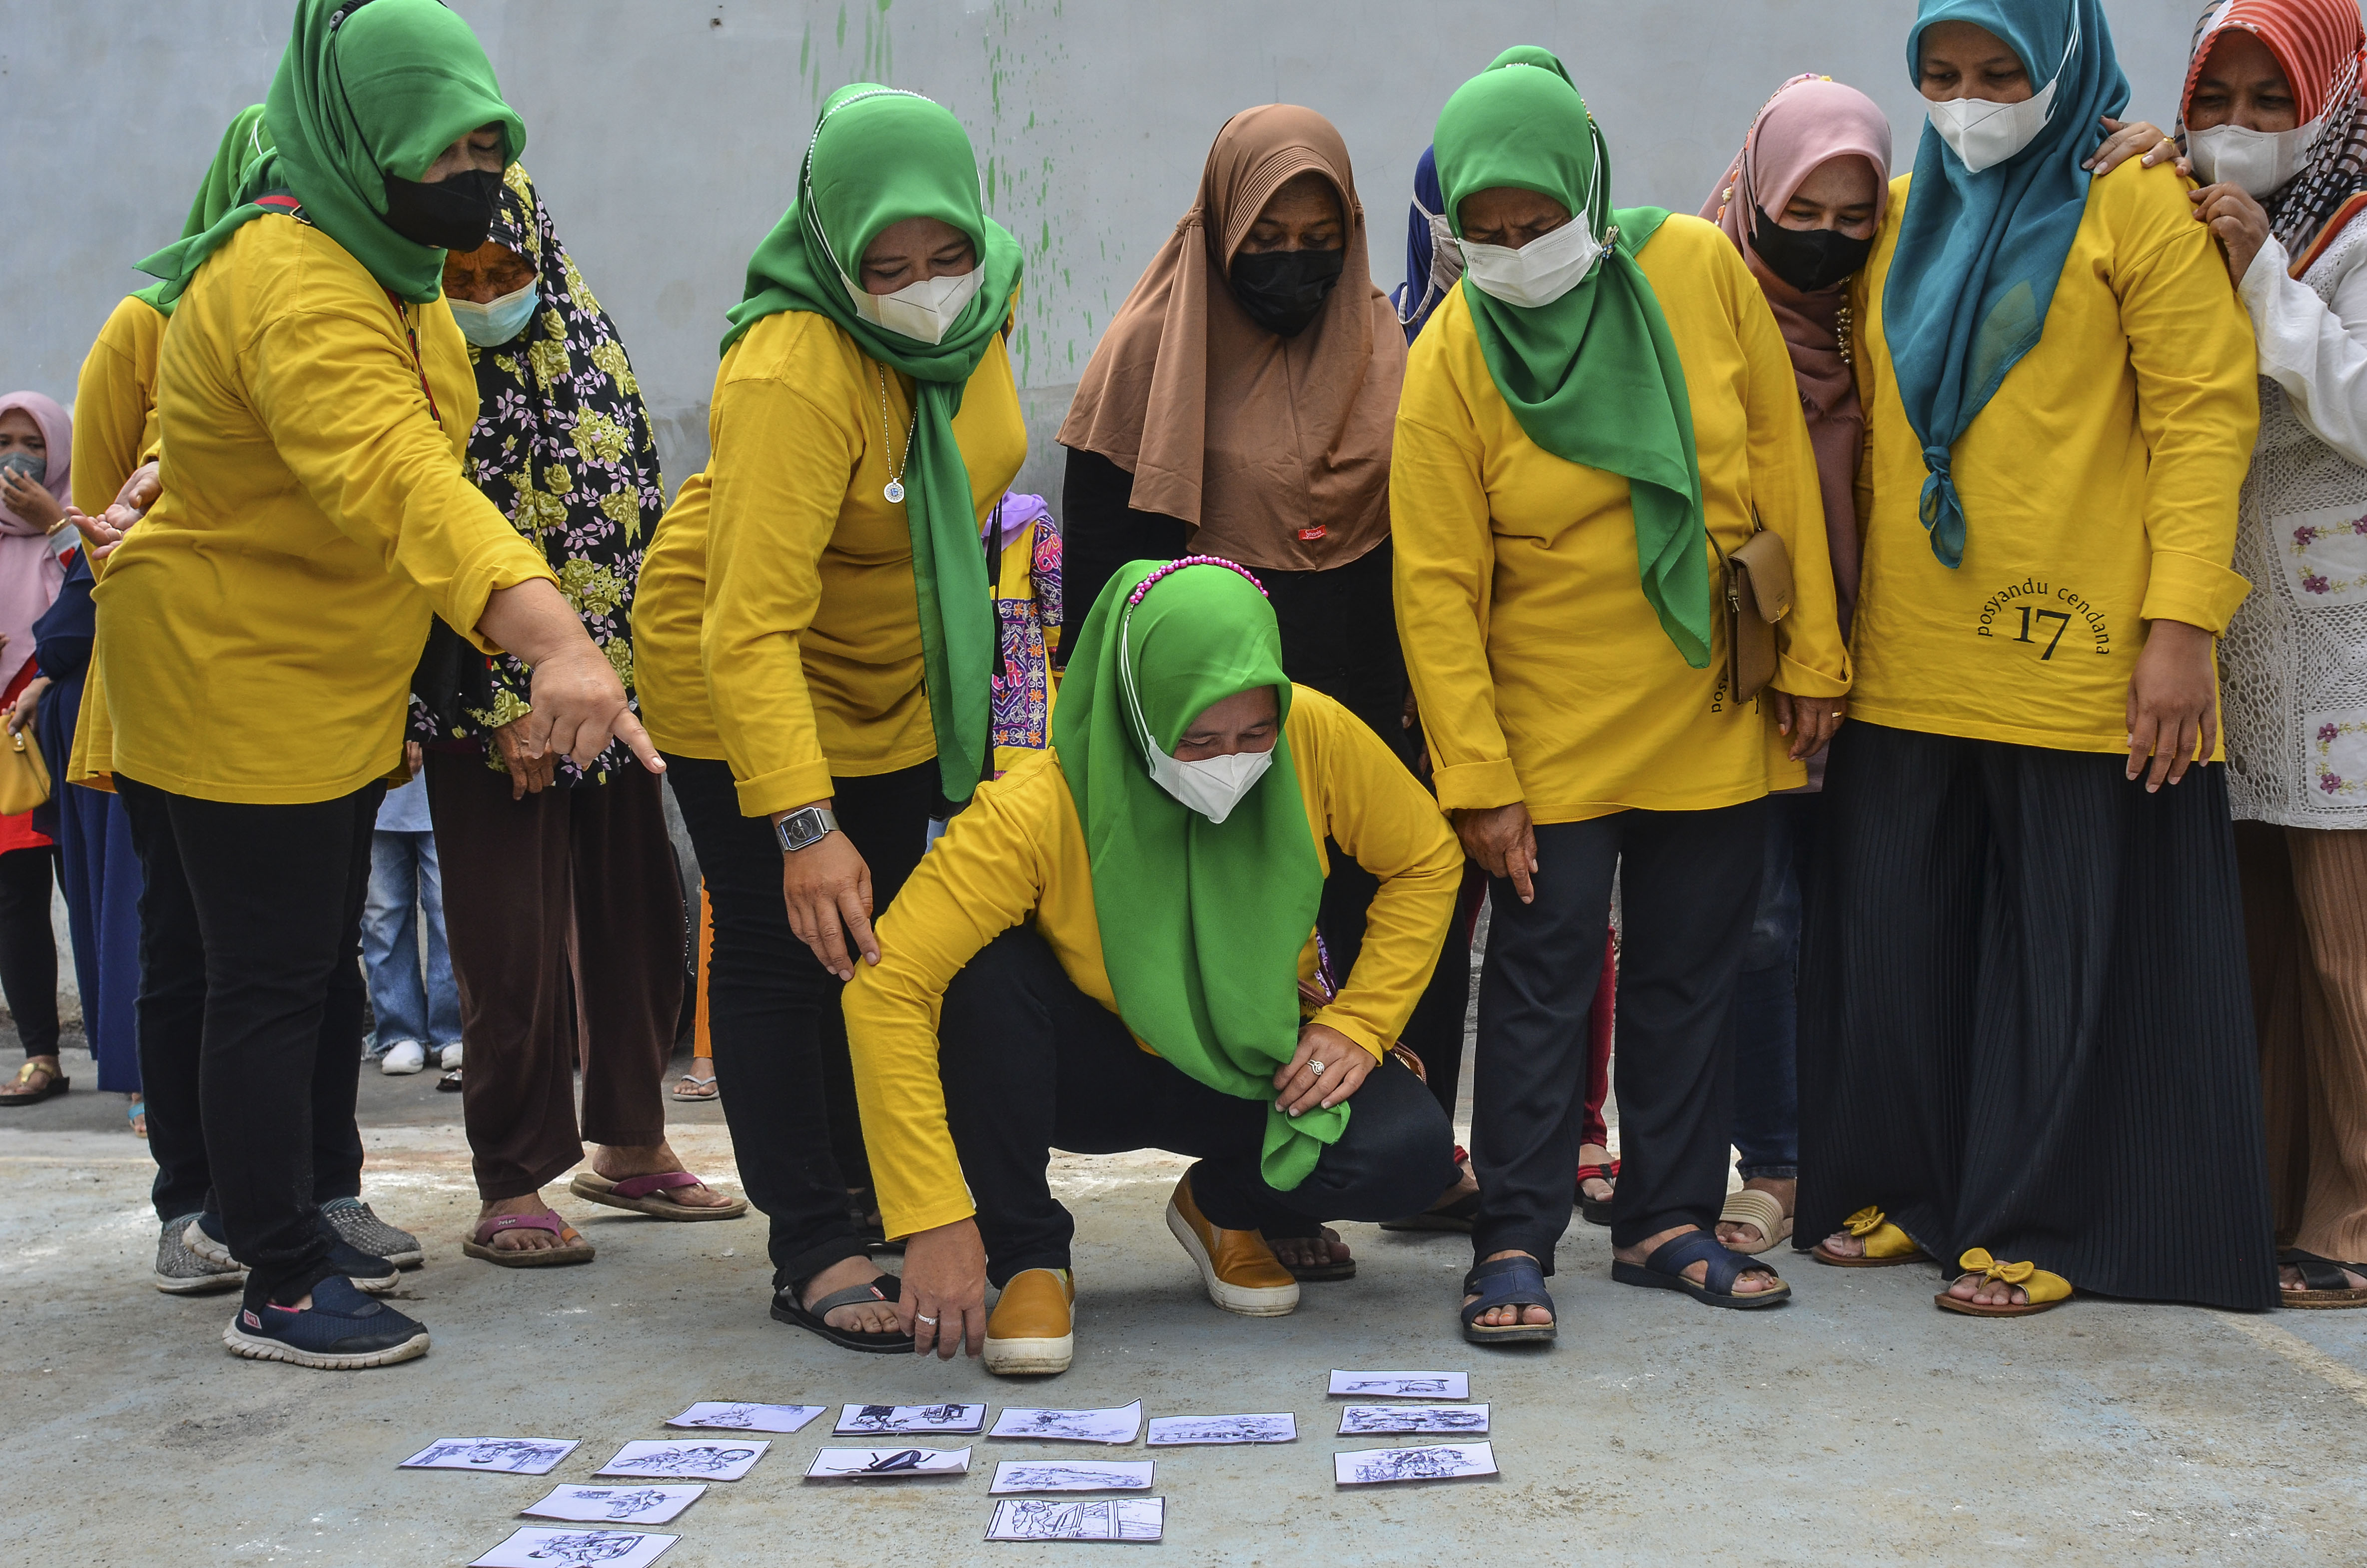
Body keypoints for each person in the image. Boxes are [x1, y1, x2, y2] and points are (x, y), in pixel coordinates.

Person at [93, 0, 654, 1370]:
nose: (478, 170)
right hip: (239, 679)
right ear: (366, 137)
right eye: (450, 143)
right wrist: (552, 643)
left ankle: (298, 1212)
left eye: (491, 141)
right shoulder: (293, 281)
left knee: (318, 971)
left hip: (334, 676)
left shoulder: (388, 262)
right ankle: (273, 1276)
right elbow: (401, 480)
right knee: (265, 979)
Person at [1799, 0, 2276, 1317]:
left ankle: (2056, 1221)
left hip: (2087, 666)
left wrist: (2182, 628)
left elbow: (2202, 421)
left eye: (2001, 72)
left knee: (2062, 962)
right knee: (1901, 940)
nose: (1969, 101)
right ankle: (1914, 1191)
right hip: (1912, 660)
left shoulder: (2135, 206)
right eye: (1941, 75)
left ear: (2062, 69)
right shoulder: (1902, 211)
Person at [1393, 51, 1848, 1345]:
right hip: (1549, 735)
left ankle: (1663, 1219)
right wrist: (1476, 775)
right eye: (1484, 232)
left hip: (1709, 703)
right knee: (1541, 980)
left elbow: (1778, 469)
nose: (1515, 251)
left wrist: (1811, 659)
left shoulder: (1698, 276)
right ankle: (1517, 1234)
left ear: (1587, 195)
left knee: (1690, 972)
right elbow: (1435, 588)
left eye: (1537, 225)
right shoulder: (1455, 357)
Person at [842, 558, 1464, 1375]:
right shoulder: (1038, 803)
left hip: (1252, 1061)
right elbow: (889, 986)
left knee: (1408, 1152)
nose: (1229, 763)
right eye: (1196, 739)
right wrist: (935, 1213)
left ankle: (1222, 1204)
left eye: (1252, 736)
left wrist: (1361, 1020)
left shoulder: (1314, 733)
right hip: (1085, 1073)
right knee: (984, 974)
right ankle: (1028, 1253)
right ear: (1135, 710)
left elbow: (1425, 858)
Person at [631, 82, 1025, 1352]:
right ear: (831, 252)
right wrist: (802, 825)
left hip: (890, 670)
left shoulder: (982, 307)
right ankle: (808, 1237)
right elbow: (745, 627)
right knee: (780, 937)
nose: (924, 284)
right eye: (887, 265)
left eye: (945, 254)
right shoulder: (795, 368)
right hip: (739, 668)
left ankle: (884, 1192)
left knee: (886, 948)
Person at [413, 164, 728, 1264]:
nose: (488, 290)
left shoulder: (588, 343)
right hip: (496, 713)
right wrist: (505, 701)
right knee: (513, 955)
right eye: (463, 273)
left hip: (616, 696)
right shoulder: (420, 370)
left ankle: (631, 1149)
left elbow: (636, 511)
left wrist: (636, 681)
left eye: (507, 270)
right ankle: (510, 1179)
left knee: (640, 930)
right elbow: (420, 547)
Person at [2168, 0, 2367, 1306]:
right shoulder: (2192, 214)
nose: (2236, 131)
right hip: (2238, 637)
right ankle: (2280, 1186)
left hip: (2342, 636)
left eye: (2269, 102)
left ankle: (2351, 1219)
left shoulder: (2349, 226)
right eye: (2216, 100)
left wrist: (2262, 286)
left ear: (2332, 97)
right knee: (2259, 936)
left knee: (2347, 948)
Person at [1695, 75, 1894, 1256]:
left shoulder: (1888, 306)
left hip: (1901, 659)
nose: (1821, 239)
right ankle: (1768, 1157)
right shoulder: (1705, 302)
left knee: (1868, 914)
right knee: (1760, 922)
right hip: (1757, 665)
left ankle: (1861, 1153)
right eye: (1798, 209)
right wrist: (1788, 659)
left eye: (1849, 217)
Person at [0, 392, 69, 1113]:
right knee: (15, 897)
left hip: (66, 720)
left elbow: (92, 602)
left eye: (33, 443)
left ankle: (134, 1063)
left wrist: (53, 527)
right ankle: (40, 1055)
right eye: (5, 442)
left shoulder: (75, 517)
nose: (17, 457)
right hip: (5, 735)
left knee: (93, 892)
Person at [359, 756, 459, 1077]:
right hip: (373, 778)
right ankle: (399, 1031)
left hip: (442, 777)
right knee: (381, 917)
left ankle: (455, 1029)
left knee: (450, 911)